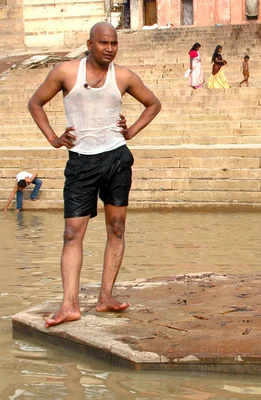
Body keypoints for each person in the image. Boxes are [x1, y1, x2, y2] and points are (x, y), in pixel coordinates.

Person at [27, 22, 162, 327]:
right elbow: (35, 103)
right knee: (72, 233)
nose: (109, 49)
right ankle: (69, 305)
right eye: (103, 43)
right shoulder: (65, 72)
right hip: (81, 162)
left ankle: (106, 297)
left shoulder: (124, 76)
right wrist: (53, 138)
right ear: (89, 44)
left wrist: (131, 131)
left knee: (116, 228)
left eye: (114, 43)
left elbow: (153, 104)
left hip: (116, 158)